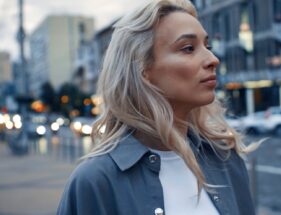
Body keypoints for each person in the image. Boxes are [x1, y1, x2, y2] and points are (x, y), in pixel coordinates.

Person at [57, 0, 257, 214]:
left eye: (207, 46)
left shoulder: (225, 159)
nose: (213, 59)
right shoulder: (94, 182)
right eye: (188, 48)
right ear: (143, 70)